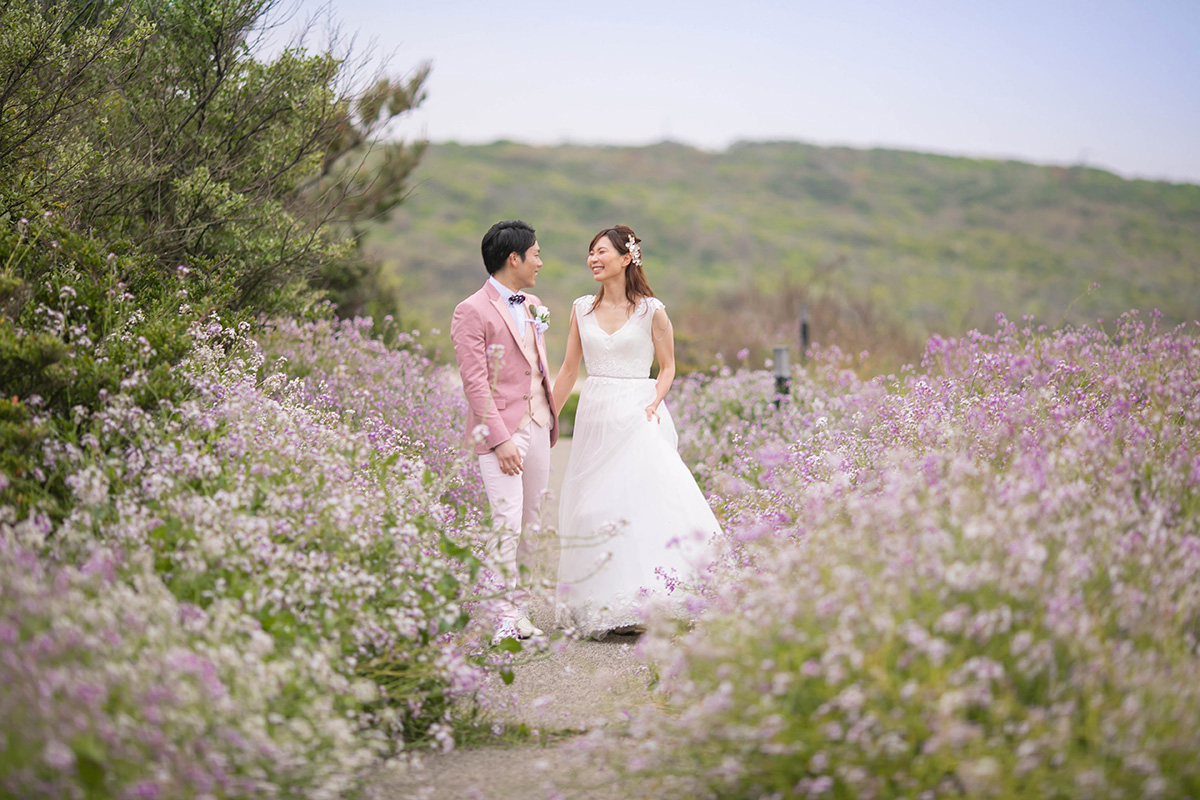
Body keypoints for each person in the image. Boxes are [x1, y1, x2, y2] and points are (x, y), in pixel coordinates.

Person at [552, 225, 720, 639]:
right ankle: (607, 602)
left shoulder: (651, 310)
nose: (593, 258)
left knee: (643, 500)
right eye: (590, 252)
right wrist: (549, 418)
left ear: (626, 259)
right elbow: (570, 369)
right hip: (595, 412)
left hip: (639, 413)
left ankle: (655, 599)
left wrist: (653, 402)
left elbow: (667, 367)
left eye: (601, 251)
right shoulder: (580, 309)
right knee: (595, 507)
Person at [451, 220, 559, 642]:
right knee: (506, 521)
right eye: (535, 254)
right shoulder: (470, 310)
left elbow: (536, 365)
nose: (540, 262)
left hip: (539, 421)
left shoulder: (532, 303)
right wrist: (499, 440)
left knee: (531, 521)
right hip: (501, 433)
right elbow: (475, 382)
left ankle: (522, 609)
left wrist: (548, 414)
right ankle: (501, 618)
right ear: (513, 258)